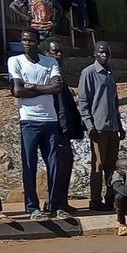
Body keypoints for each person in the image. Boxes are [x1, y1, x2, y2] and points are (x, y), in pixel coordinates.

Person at [8, 29, 63, 221]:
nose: (27, 43)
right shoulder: (15, 61)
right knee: (29, 165)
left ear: (37, 42)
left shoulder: (50, 62)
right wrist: (43, 90)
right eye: (24, 40)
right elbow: (17, 91)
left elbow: (57, 88)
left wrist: (33, 87)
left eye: (31, 40)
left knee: (55, 164)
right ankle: (33, 208)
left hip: (50, 120)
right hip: (29, 120)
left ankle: (56, 206)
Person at [77, 40, 125, 212]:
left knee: (112, 166)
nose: (104, 55)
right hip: (97, 128)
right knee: (98, 164)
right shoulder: (88, 73)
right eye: (101, 52)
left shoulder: (110, 73)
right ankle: (95, 200)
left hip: (112, 127)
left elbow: (114, 102)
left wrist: (120, 126)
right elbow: (83, 102)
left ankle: (111, 197)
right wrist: (89, 126)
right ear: (95, 53)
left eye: (107, 52)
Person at [45, 39, 83, 217]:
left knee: (66, 164)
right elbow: (57, 105)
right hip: (57, 130)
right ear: (47, 54)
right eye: (55, 52)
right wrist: (64, 128)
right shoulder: (49, 76)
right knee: (59, 166)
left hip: (65, 130)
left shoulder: (59, 74)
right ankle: (55, 203)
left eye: (60, 52)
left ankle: (63, 201)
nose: (59, 56)